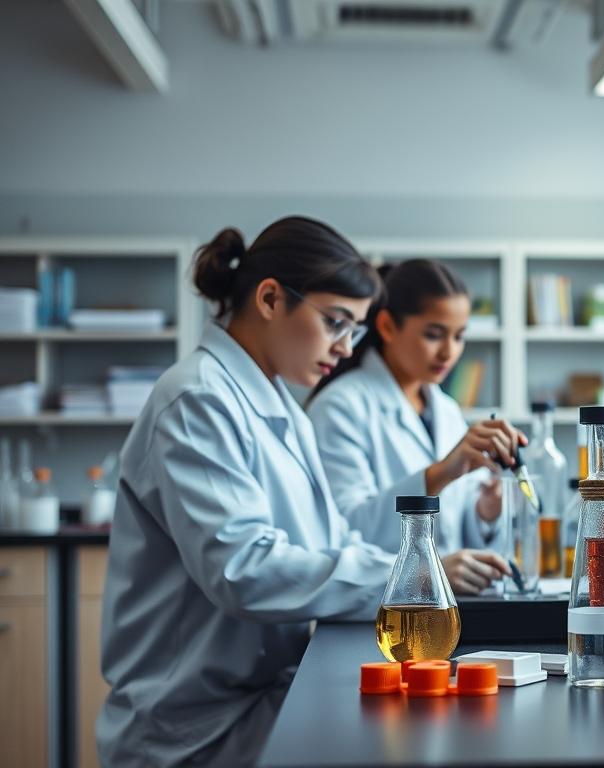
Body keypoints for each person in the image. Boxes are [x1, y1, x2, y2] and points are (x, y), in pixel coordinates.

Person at [97, 218, 526, 766]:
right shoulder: (197, 401)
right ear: (271, 299)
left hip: (262, 700)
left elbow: (334, 537)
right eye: (336, 323)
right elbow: (243, 569)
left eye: (353, 329)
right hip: (193, 729)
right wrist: (408, 585)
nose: (346, 349)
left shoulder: (279, 405)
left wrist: (414, 575)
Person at [308, 259, 526, 595]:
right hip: (377, 613)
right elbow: (346, 530)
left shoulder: (446, 409)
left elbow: (454, 529)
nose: (449, 352)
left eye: (459, 336)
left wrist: (486, 509)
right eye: (434, 334)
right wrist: (440, 473)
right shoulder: (341, 407)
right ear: (387, 326)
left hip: (445, 607)